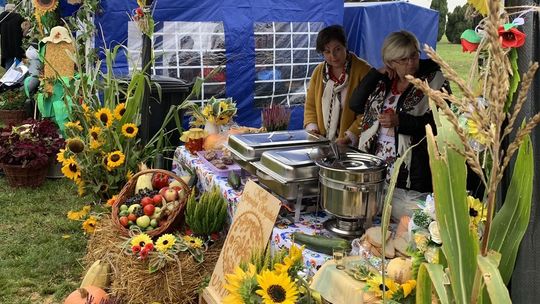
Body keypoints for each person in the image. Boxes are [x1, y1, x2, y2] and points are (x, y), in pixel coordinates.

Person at [349, 30, 450, 194]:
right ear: (390, 62)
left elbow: (440, 124)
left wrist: (401, 122)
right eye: (403, 60)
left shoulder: (434, 80)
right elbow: (356, 104)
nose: (411, 63)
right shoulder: (385, 81)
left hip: (412, 168)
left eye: (414, 56)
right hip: (378, 161)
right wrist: (375, 74)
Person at [304, 25, 371, 146]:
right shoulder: (319, 72)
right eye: (327, 51)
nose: (333, 56)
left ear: (345, 46)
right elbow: (310, 106)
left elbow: (369, 111)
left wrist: (350, 136)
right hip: (322, 143)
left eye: (337, 49)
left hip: (354, 145)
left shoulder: (364, 71)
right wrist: (313, 129)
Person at [0, 3, 25, 68]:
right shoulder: (18, 17)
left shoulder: (1, 18)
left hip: (6, 44)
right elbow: (24, 27)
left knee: (8, 63)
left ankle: (9, 76)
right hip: (17, 43)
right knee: (19, 65)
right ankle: (18, 76)